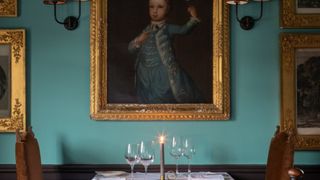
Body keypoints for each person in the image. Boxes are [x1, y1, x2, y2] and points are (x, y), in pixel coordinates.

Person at [128, 0, 203, 104]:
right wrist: (139, 40)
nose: (155, 11)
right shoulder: (146, 30)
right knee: (147, 98)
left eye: (160, 7)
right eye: (151, 7)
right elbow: (130, 49)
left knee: (164, 97)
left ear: (167, 9)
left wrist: (193, 17)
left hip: (163, 71)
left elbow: (184, 30)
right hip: (144, 72)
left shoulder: (168, 28)